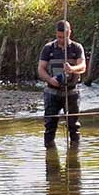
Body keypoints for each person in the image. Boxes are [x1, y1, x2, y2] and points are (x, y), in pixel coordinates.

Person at [37, 20, 87, 148]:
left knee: (73, 126)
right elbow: (41, 69)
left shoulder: (77, 48)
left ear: (69, 33)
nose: (61, 40)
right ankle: (50, 158)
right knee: (50, 125)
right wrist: (49, 79)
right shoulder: (48, 48)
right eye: (58, 37)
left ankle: (74, 159)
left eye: (63, 37)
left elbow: (82, 66)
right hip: (52, 92)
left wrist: (72, 69)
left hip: (71, 93)